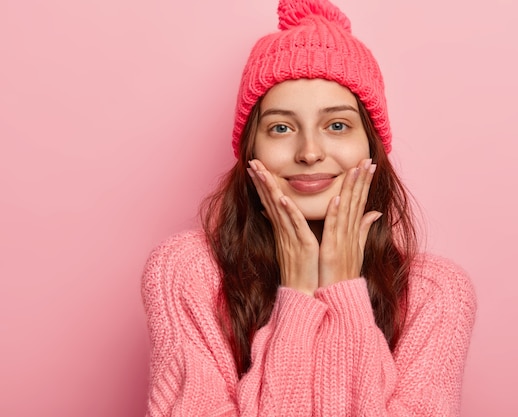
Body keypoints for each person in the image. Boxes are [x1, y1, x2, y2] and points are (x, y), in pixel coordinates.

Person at [141, 0, 477, 416]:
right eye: (281, 127)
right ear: (251, 149)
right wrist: (297, 294)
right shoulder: (186, 273)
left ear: (371, 146)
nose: (310, 152)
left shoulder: (436, 295)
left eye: (337, 125)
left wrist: (342, 290)